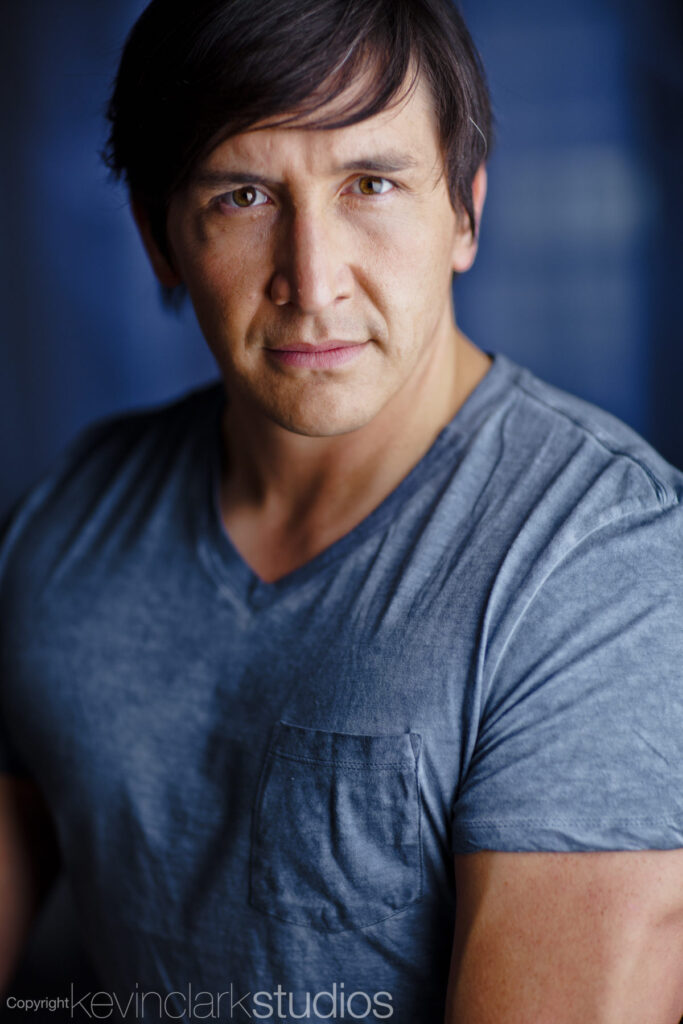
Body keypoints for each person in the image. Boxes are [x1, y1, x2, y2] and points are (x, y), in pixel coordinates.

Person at [1, 0, 682, 1020]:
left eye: (370, 184)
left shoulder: (601, 565)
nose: (311, 282)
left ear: (464, 211)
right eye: (241, 195)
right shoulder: (67, 527)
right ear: (158, 239)